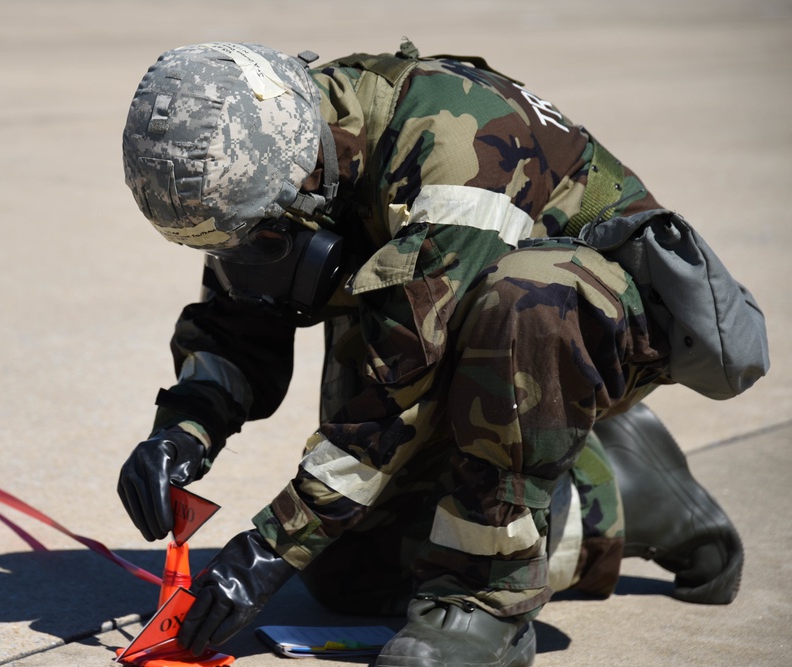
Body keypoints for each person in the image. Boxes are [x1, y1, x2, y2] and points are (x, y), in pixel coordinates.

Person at [117, 40, 768, 667]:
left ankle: (484, 601)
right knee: (351, 577)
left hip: (588, 326)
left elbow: (398, 394)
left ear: (301, 172)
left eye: (259, 230)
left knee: (526, 297)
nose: (249, 246)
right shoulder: (287, 145)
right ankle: (623, 494)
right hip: (450, 333)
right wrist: (185, 427)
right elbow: (242, 312)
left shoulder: (456, 158)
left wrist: (267, 547)